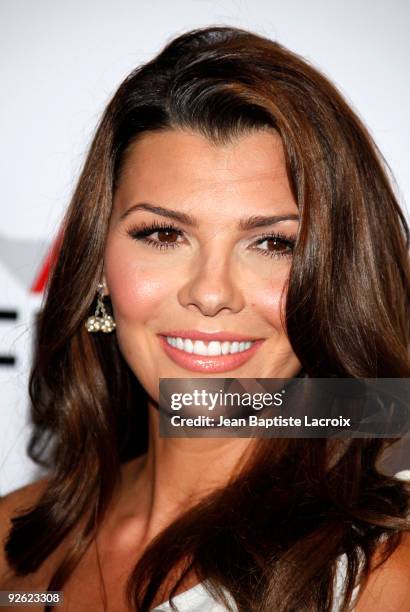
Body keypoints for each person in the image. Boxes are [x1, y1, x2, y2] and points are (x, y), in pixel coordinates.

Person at [1, 25, 410, 612]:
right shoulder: (12, 539)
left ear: (333, 275)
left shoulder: (380, 580)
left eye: (272, 244)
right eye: (164, 234)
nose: (211, 293)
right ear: (96, 263)